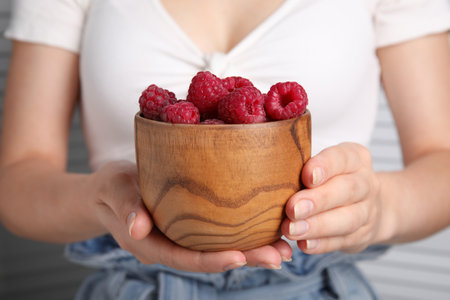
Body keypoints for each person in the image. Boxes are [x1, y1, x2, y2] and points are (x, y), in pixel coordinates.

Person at [0, 0, 449, 299]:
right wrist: (102, 200)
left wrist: (380, 207)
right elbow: (17, 181)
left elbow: (441, 161)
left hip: (317, 283)